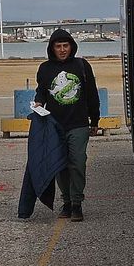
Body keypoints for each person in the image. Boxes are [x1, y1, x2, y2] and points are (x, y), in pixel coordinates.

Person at [33, 28, 99, 222]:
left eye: (65, 46)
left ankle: (77, 203)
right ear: (52, 48)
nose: (62, 50)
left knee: (77, 163)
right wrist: (38, 102)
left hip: (78, 124)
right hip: (55, 126)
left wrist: (94, 120)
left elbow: (92, 95)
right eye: (58, 46)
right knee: (61, 166)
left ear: (71, 47)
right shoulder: (45, 69)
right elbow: (42, 92)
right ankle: (67, 201)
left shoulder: (82, 66)